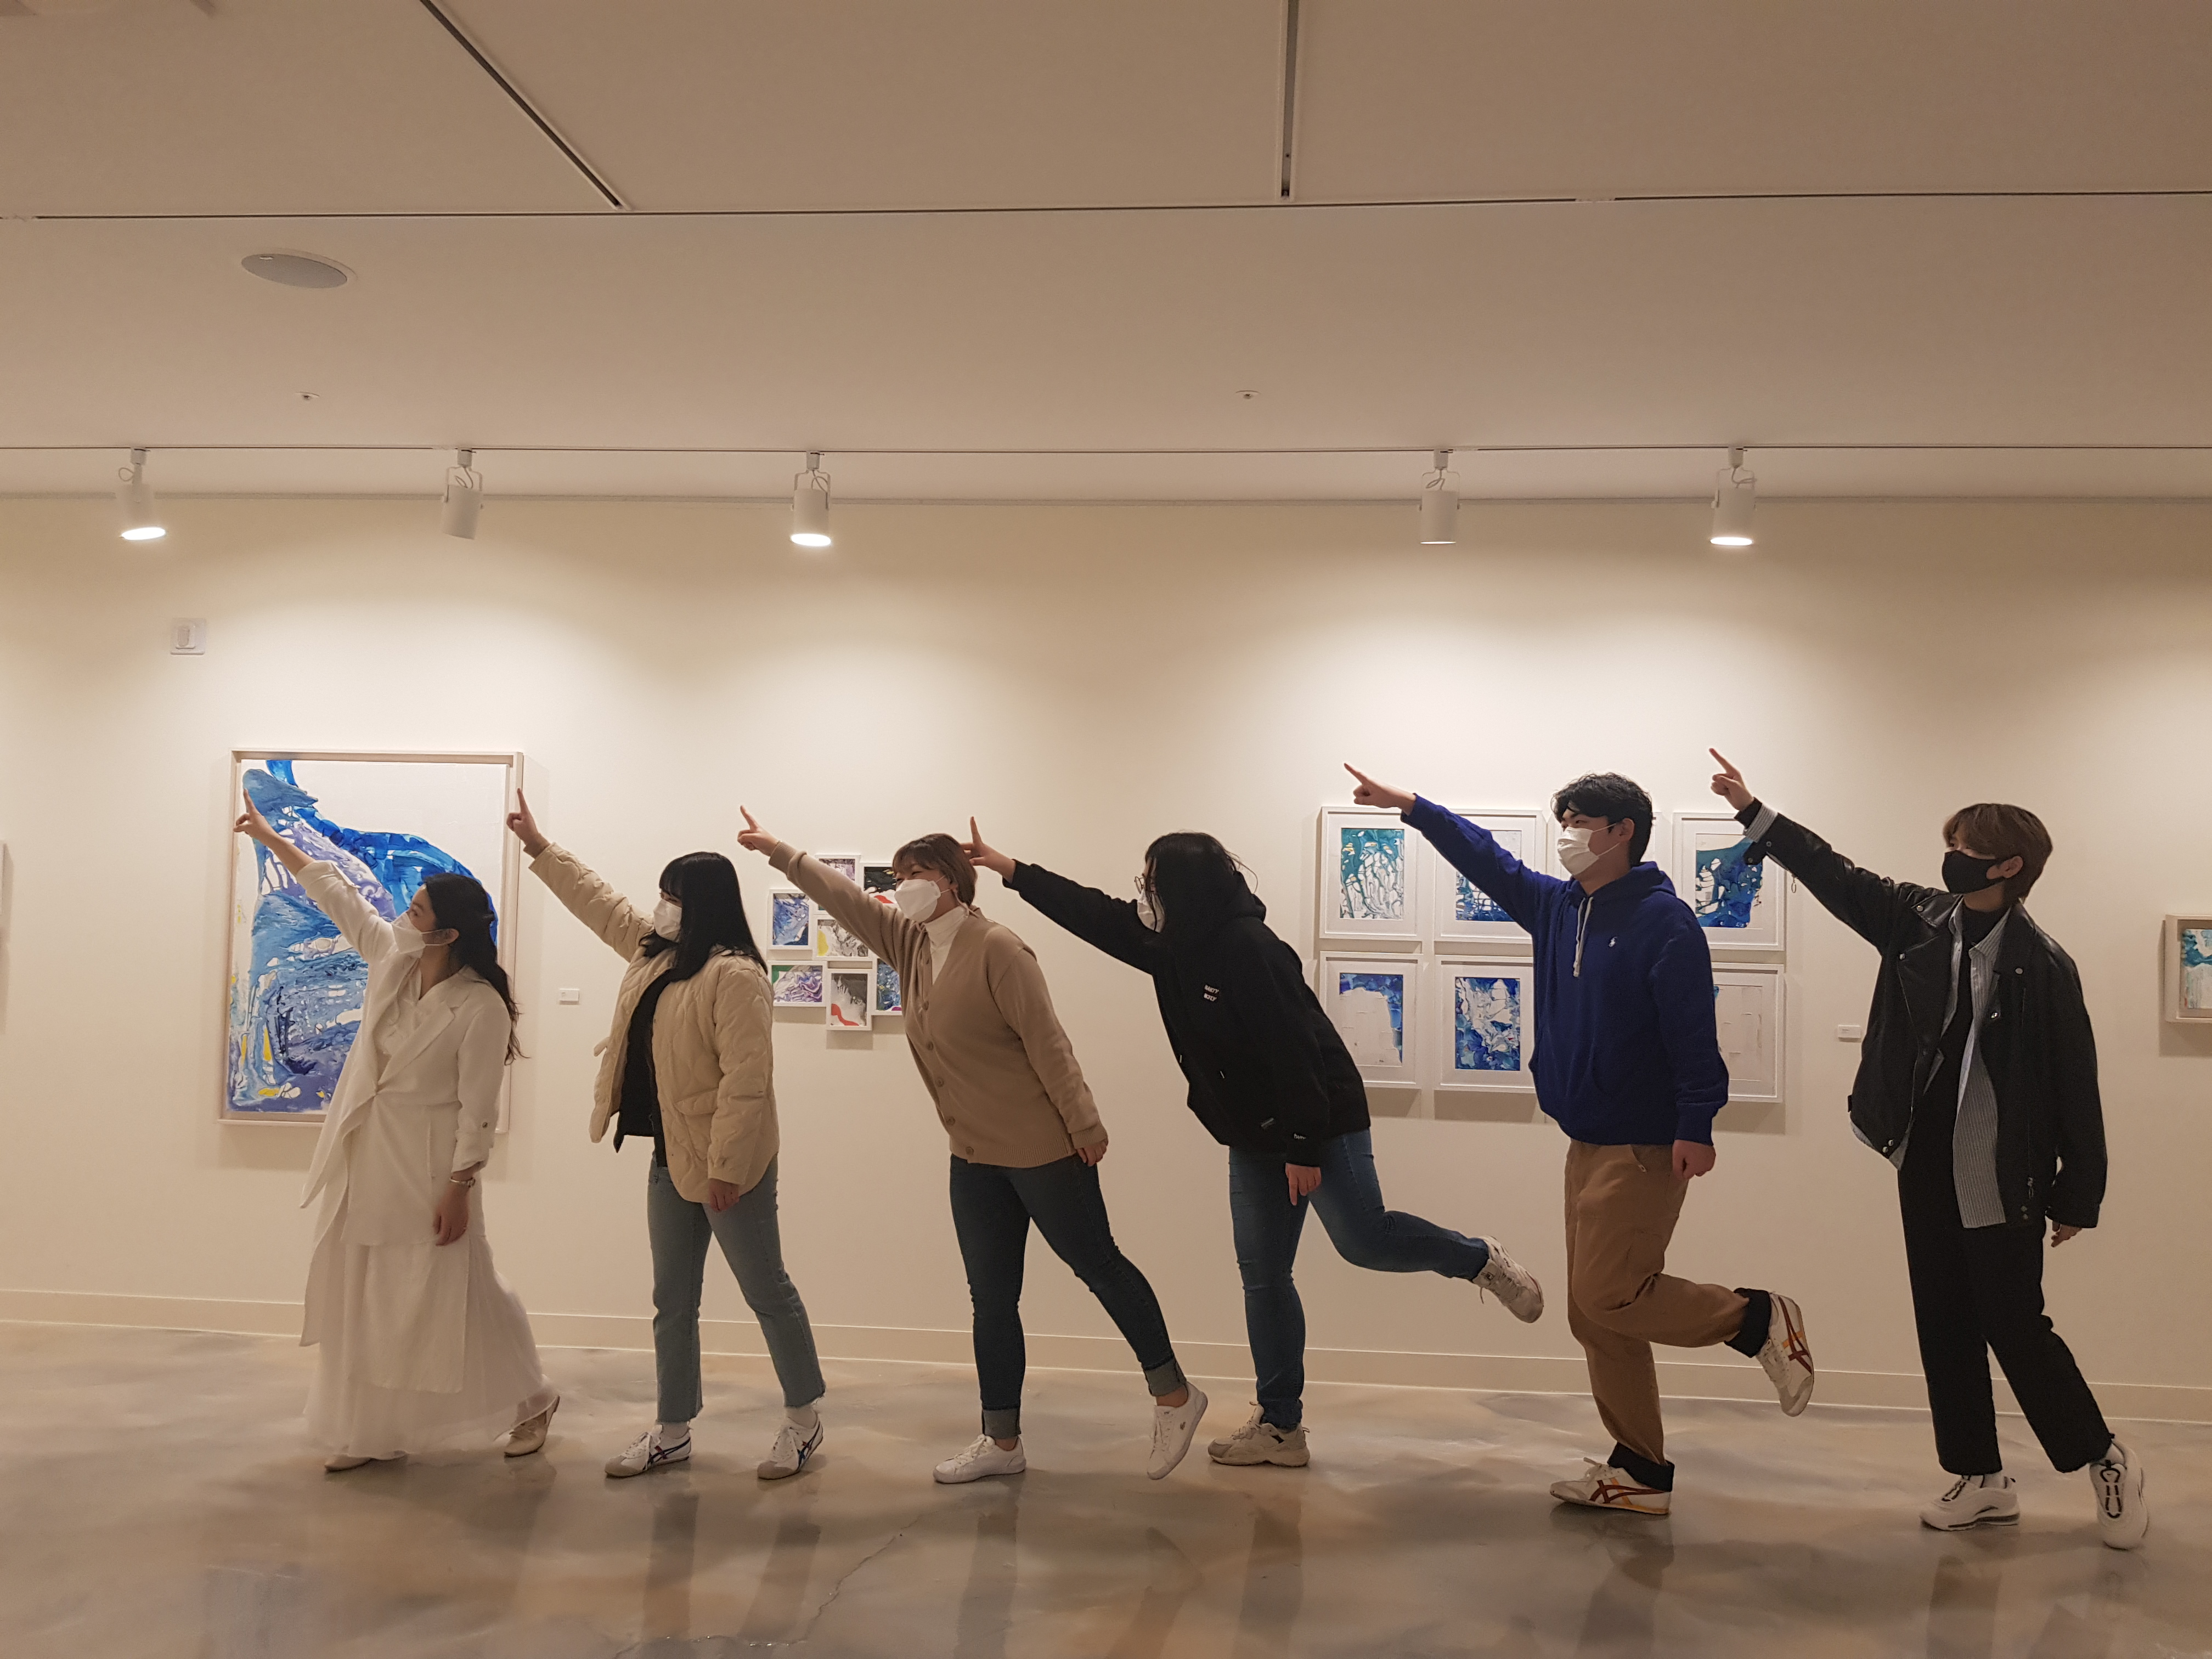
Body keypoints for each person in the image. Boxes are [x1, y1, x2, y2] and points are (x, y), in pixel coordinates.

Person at [960, 819, 1546, 1470]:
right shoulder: (1169, 945)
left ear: (1184, 887)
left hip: (1319, 1120)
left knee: (1364, 1240)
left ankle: (1479, 1259)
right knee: (1263, 1277)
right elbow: (1092, 914)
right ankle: (1280, 1425)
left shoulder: (1251, 949)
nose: (1143, 894)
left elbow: (1296, 1054)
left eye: (1152, 882)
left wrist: (1303, 1147)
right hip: (1252, 1133)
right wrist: (1009, 869)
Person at [1344, 764, 1813, 1516]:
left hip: (1645, 1143)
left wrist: (1697, 1124)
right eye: (1562, 820)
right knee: (1592, 1316)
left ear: (1620, 832)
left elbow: (1694, 1033)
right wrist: (1416, 809)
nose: (1564, 834)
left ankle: (1754, 1319)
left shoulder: (1664, 922)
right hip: (1586, 1140)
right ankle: (1640, 1471)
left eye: (1576, 822)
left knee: (1610, 1295)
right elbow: (1487, 860)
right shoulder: (1561, 906)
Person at [1706, 752, 2146, 1548]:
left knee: (2015, 1326)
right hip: (1924, 1159)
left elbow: (2074, 1086)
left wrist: (2078, 1194)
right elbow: (1836, 875)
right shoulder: (1917, 920)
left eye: (1966, 846)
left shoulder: (2045, 967)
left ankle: (2104, 1457)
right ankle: (1981, 1478)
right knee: (1944, 1319)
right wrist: (1753, 811)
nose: (1952, 855)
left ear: (2008, 866)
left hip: (2001, 1173)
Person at [735, 808, 1207, 1485]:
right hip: (974, 1155)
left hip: (1043, 1147)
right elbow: (843, 899)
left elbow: (1049, 1044)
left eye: (918, 873)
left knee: (1099, 1266)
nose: (904, 886)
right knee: (991, 1299)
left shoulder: (999, 950)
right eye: (899, 875)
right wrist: (780, 851)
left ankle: (1176, 1396)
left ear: (953, 882)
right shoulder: (910, 944)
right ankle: (1002, 1441)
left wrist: (1086, 1127)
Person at [508, 792, 827, 1482]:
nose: (661, 907)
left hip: (730, 1164)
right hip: (669, 1153)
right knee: (672, 1301)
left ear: (702, 904)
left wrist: (727, 1170)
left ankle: (804, 1419)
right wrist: (540, 847)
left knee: (766, 1289)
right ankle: (673, 1429)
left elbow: (748, 1082)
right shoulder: (656, 955)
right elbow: (602, 906)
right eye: (662, 895)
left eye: (673, 897)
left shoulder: (736, 976)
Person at [235, 790, 557, 1472]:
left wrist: (460, 1187)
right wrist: (271, 838)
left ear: (449, 934)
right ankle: (373, 1431)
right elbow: (338, 894)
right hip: (371, 1153)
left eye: (419, 911)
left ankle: (533, 1398)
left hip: (432, 1166)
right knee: (368, 1292)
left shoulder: (480, 1007)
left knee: (454, 1289)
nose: (405, 915)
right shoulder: (392, 959)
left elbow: (478, 1109)